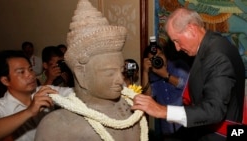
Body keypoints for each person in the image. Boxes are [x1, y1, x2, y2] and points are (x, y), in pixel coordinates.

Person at [35, 0, 147, 141]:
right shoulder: (57, 125)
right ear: (81, 75)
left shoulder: (131, 108)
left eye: (121, 70)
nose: (120, 80)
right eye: (110, 73)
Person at [132, 8, 245, 141]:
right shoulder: (212, 44)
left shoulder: (217, 56)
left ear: (191, 29)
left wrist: (163, 111)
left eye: (177, 40)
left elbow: (214, 110)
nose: (177, 48)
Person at [0, 50, 74, 141]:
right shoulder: (0, 106)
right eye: (21, 72)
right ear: (5, 80)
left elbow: (76, 93)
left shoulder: (44, 91)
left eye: (30, 69)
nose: (30, 75)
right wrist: (29, 111)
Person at [141, 38, 189, 138]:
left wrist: (166, 75)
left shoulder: (178, 66)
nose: (158, 59)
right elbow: (147, 95)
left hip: (185, 124)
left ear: (164, 54)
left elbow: (187, 86)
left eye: (159, 56)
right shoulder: (152, 75)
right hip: (166, 128)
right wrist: (145, 72)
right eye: (153, 59)